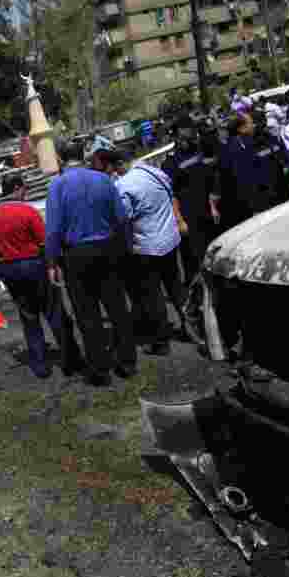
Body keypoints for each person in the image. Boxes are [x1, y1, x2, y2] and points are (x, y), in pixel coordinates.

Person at [45, 141, 137, 386]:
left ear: (62, 159)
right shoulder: (103, 180)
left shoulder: (57, 185)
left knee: (87, 314)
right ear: (82, 157)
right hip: (107, 248)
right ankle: (127, 362)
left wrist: (52, 262)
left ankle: (100, 369)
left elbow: (53, 229)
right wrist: (124, 247)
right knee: (117, 307)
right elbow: (121, 217)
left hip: (76, 254)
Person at [0, 173, 84, 379]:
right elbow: (44, 243)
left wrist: (2, 274)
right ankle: (71, 359)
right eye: (24, 189)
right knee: (55, 313)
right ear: (16, 188)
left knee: (29, 318)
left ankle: (40, 365)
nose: (25, 193)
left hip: (11, 270)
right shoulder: (28, 212)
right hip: (34, 266)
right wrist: (53, 266)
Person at [118, 150, 187, 356]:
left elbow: (124, 218)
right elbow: (170, 196)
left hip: (146, 246)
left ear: (121, 164)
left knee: (153, 295)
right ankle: (192, 328)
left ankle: (161, 340)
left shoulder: (124, 185)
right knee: (176, 287)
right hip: (170, 239)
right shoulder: (156, 172)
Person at [162, 115, 220, 285]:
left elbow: (209, 177)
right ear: (179, 133)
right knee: (194, 263)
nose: (192, 131)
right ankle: (196, 302)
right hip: (189, 219)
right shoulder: (171, 161)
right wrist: (179, 221)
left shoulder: (198, 150)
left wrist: (213, 205)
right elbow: (170, 194)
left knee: (213, 256)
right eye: (188, 128)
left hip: (208, 213)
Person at [213, 110, 288, 233]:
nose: (253, 126)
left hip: (269, 199)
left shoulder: (255, 140)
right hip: (256, 206)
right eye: (250, 123)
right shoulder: (235, 148)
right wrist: (255, 208)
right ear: (241, 129)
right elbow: (244, 180)